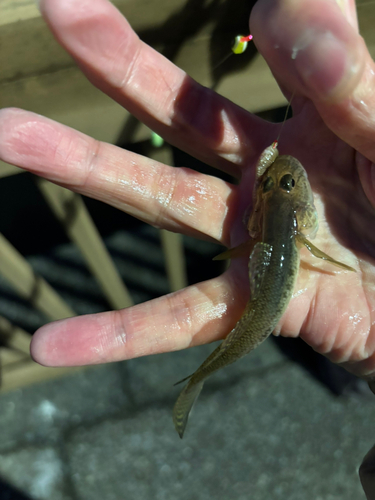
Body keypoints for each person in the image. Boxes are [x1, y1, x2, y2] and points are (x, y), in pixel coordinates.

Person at [1, 0, 375, 495]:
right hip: (278, 271)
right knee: (234, 335)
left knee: (232, 338)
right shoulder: (298, 223)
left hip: (275, 268)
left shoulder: (270, 221)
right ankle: (197, 379)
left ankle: (198, 379)